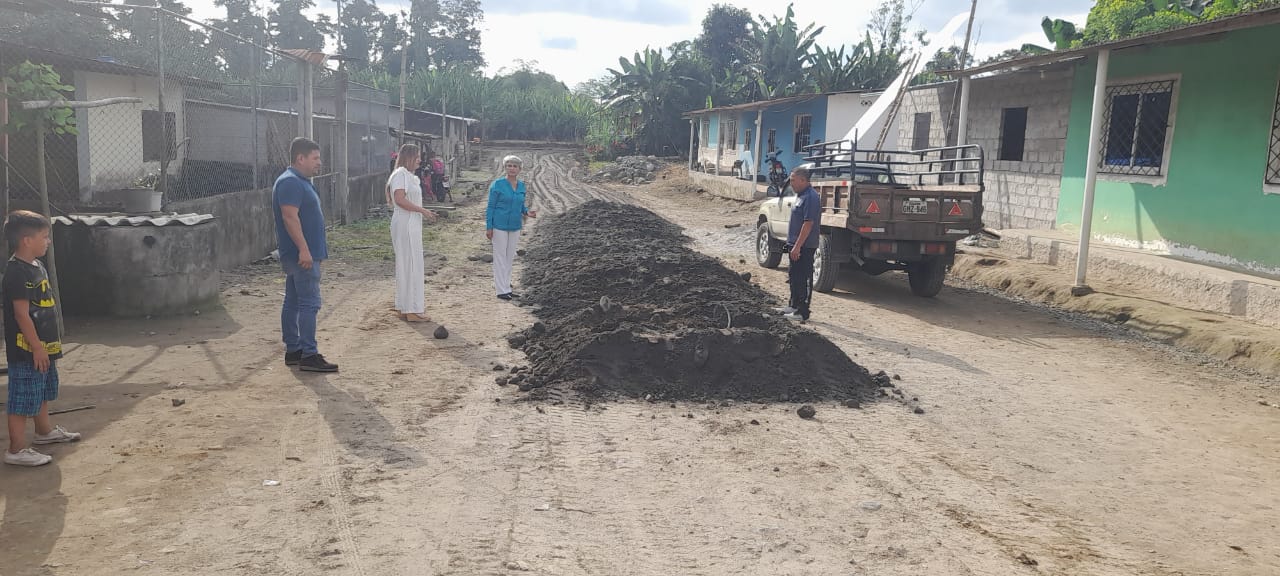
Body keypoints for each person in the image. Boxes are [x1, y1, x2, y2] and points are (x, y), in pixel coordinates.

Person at [3, 210, 80, 466]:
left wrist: (44, 346)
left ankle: (44, 432)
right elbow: (21, 314)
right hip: (26, 349)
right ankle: (16, 450)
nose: (48, 241)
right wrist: (36, 347)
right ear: (27, 240)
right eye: (44, 236)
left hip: (43, 346)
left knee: (41, 389)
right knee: (22, 398)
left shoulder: (38, 266)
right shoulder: (16, 272)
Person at [274, 137, 338, 373]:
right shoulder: (290, 182)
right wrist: (303, 249)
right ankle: (309, 354)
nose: (319, 162)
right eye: (315, 158)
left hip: (302, 254)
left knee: (293, 301)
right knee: (310, 303)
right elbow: (289, 217)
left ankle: (294, 350)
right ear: (300, 158)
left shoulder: (298, 181)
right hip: (301, 255)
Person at [387, 143, 438, 322]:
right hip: (406, 223)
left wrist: (422, 211)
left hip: (411, 223)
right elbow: (400, 199)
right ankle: (412, 309)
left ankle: (404, 305)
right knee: (411, 264)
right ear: (408, 157)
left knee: (408, 263)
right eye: (417, 157)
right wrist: (422, 210)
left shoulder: (409, 176)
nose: (419, 160)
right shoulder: (400, 174)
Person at [485, 155, 537, 300]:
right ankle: (501, 290)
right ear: (505, 167)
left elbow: (520, 204)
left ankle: (507, 286)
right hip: (499, 225)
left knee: (509, 257)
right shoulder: (497, 184)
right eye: (509, 165)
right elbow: (490, 207)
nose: (512, 168)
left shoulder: (521, 186)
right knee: (500, 257)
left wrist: (527, 212)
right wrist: (489, 227)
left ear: (520, 169)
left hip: (515, 226)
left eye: (515, 166)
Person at [776, 166, 821, 323]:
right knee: (794, 275)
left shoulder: (811, 197)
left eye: (793, 180)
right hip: (795, 244)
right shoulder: (800, 196)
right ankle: (793, 305)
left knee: (803, 277)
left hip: (805, 246)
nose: (791, 184)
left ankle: (803, 311)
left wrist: (798, 246)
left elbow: (808, 224)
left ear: (803, 180)